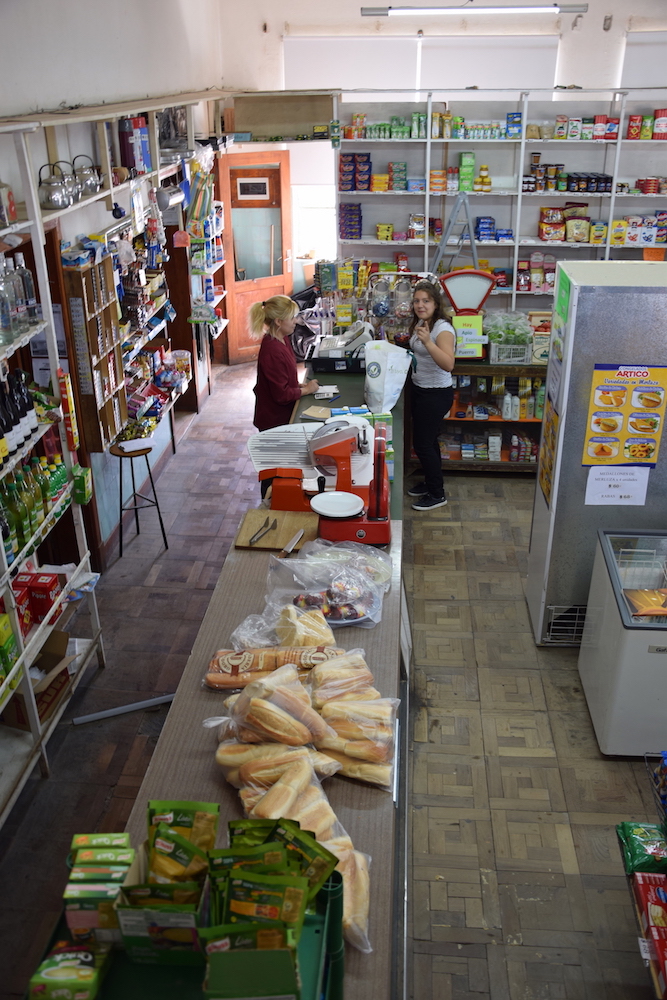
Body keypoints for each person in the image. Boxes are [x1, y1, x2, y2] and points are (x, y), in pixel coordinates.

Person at [406, 280, 456, 511]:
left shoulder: (442, 329)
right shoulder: (422, 323)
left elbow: (448, 364)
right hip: (420, 389)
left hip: (435, 394)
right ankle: (430, 482)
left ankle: (437, 494)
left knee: (423, 444)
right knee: (428, 442)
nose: (420, 305)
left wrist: (427, 342)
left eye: (426, 301)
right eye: (417, 301)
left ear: (436, 303)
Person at [250, 295, 319, 431]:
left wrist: (297, 385)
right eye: (292, 318)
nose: (296, 321)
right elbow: (281, 395)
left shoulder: (283, 338)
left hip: (283, 414)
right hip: (275, 420)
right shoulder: (273, 352)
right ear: (278, 321)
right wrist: (307, 390)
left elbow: (282, 377)